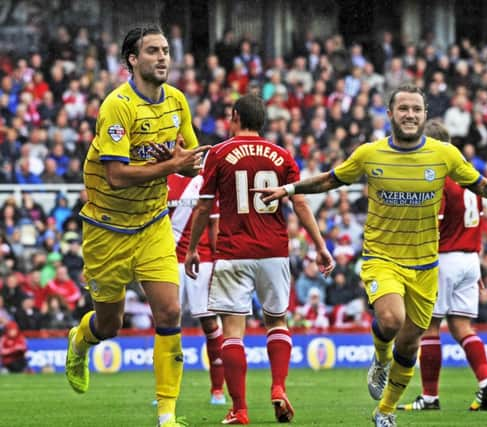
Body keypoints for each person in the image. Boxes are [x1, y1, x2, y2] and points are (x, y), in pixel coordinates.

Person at [254, 83, 487, 427]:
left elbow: (483, 186)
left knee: (411, 345)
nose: (410, 114)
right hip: (382, 258)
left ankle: (385, 411)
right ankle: (380, 358)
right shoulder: (370, 153)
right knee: (393, 320)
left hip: (426, 265)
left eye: (416, 109)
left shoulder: (444, 155)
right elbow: (330, 180)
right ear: (390, 115)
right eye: (403, 109)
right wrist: (289, 189)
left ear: (425, 115)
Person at [65, 25, 207, 427]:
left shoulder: (177, 101)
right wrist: (170, 165)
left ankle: (167, 416)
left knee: (169, 311)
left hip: (151, 223)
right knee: (110, 325)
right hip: (107, 228)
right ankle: (80, 340)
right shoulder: (117, 106)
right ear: (132, 59)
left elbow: (189, 157)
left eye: (165, 50)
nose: (163, 58)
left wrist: (185, 160)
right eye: (152, 51)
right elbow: (116, 176)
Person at [184, 94, 334, 425]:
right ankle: (278, 388)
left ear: (235, 116)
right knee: (276, 322)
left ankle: (239, 410)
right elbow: (302, 204)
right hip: (274, 252)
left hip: (234, 253)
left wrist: (194, 248)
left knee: (233, 332)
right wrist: (321, 246)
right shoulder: (281, 156)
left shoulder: (219, 153)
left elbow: (205, 206)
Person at [398, 120, 487, 413]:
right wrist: (476, 266)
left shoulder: (440, 176)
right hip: (470, 259)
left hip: (444, 258)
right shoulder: (470, 176)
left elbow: (432, 224)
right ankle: (486, 382)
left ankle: (429, 398)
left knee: (429, 328)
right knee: (461, 326)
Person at [167, 171, 226, 405]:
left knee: (210, 323)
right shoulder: (163, 177)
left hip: (202, 262)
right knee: (167, 326)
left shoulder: (205, 180)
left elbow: (214, 225)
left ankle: (217, 390)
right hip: (168, 261)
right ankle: (166, 392)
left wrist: (219, 259)